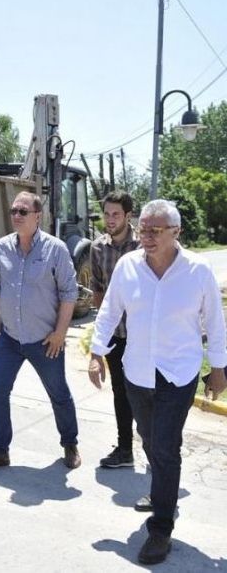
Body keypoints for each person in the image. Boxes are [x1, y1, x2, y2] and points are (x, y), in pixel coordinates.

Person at [88, 199, 227, 565]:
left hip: (177, 374)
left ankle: (160, 527)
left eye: (155, 230)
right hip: (137, 371)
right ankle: (162, 489)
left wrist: (219, 367)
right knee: (150, 440)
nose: (145, 236)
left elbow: (215, 321)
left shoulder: (198, 270)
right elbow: (109, 311)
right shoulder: (127, 267)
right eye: (143, 229)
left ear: (176, 232)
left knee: (165, 448)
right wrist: (96, 352)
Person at [0, 191, 81, 473]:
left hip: (45, 340)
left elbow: (70, 292)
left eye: (23, 211)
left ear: (37, 216)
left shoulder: (55, 249)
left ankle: (70, 443)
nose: (17, 216)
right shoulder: (2, 247)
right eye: (13, 211)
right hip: (9, 337)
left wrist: (60, 333)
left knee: (58, 393)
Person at [90, 191, 140, 469]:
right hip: (115, 334)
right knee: (120, 392)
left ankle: (158, 447)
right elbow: (98, 292)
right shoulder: (98, 248)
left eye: (116, 214)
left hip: (143, 335)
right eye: (106, 214)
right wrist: (102, 330)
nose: (110, 220)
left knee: (149, 391)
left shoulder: (144, 245)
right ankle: (124, 449)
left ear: (128, 215)